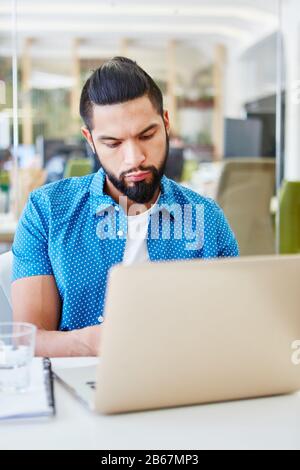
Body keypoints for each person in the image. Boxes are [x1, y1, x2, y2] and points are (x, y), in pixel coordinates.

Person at [12, 57, 239, 357]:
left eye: (147, 135)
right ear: (90, 141)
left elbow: (232, 329)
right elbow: (29, 341)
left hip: (184, 380)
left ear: (166, 123)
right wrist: (96, 343)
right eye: (113, 143)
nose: (134, 159)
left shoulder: (207, 219)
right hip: (80, 386)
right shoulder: (48, 211)